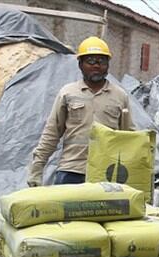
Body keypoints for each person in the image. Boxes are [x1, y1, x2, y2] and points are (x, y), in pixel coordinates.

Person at [27, 36, 133, 187]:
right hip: (71, 170)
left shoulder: (120, 96)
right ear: (80, 64)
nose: (97, 66)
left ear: (108, 65)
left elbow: (129, 137)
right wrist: (36, 168)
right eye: (91, 61)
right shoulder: (68, 93)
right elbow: (52, 132)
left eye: (102, 61)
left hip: (106, 172)